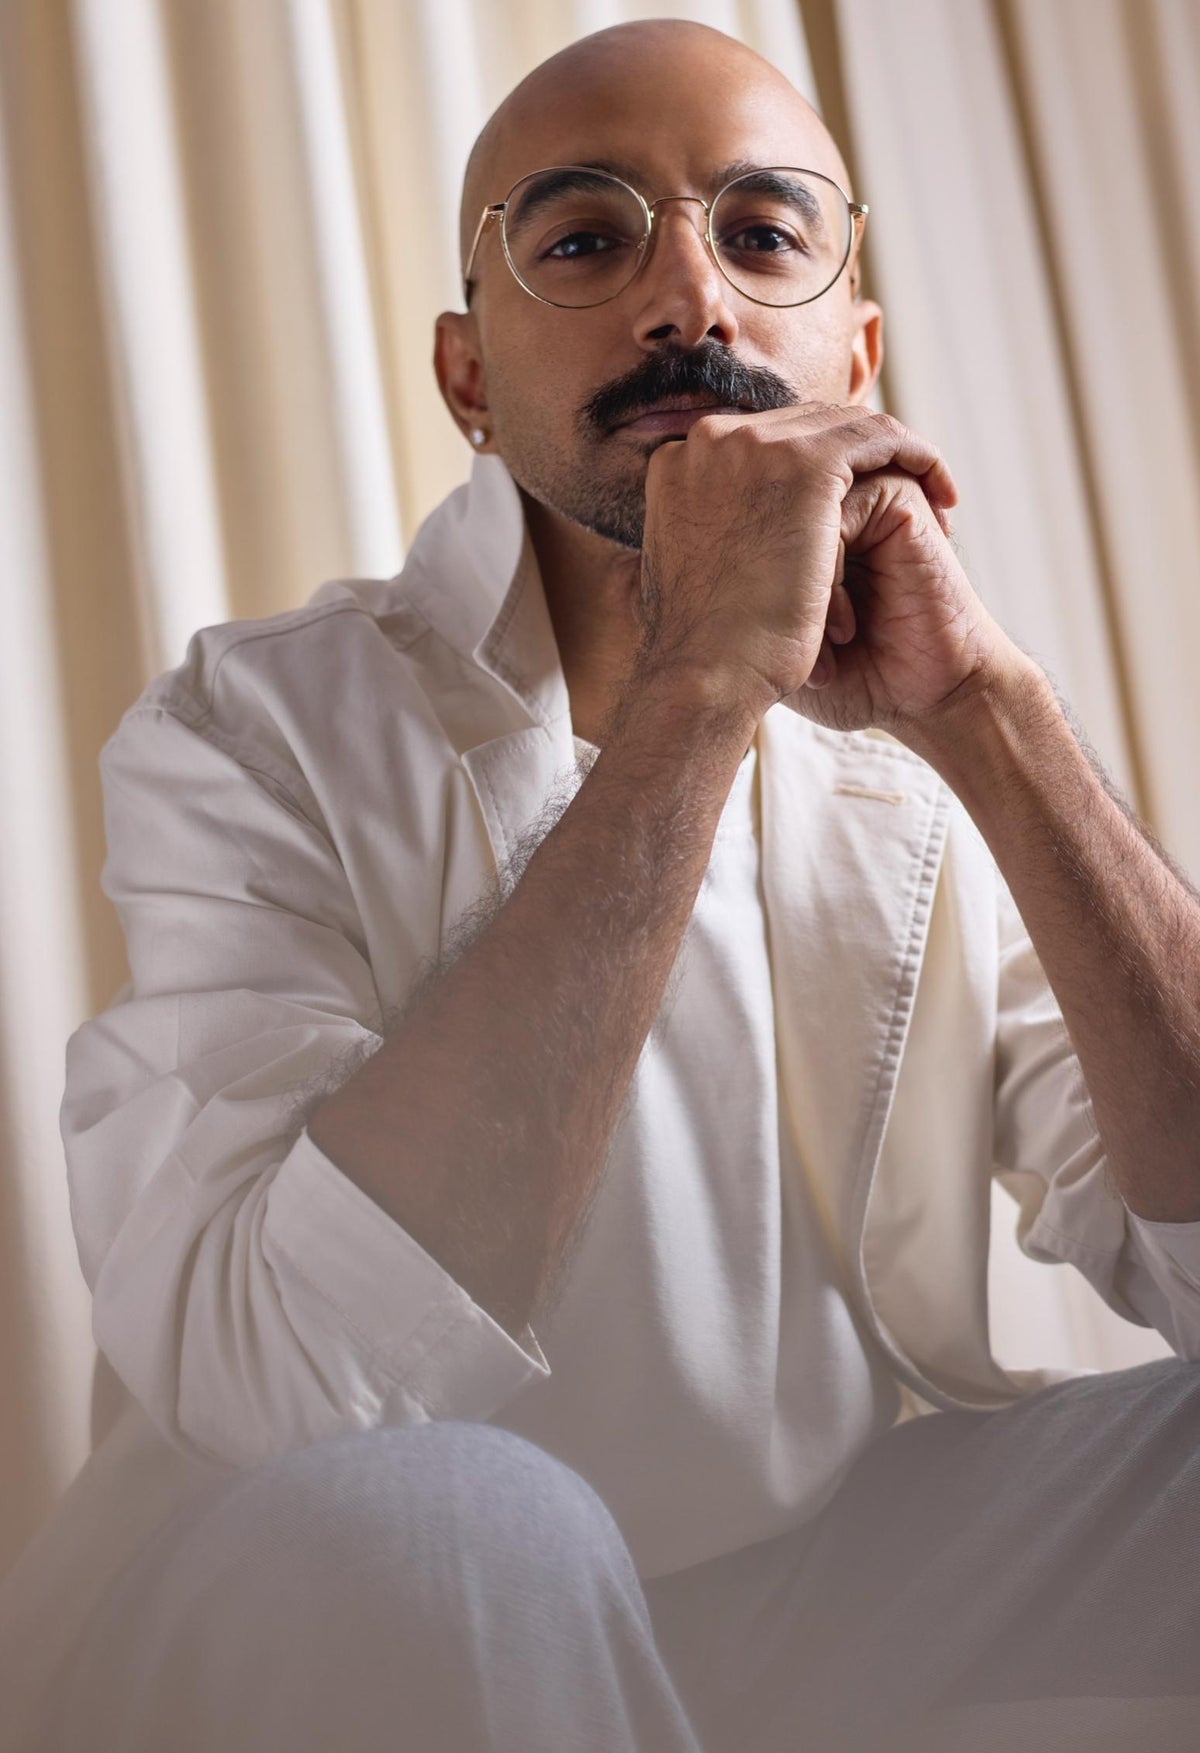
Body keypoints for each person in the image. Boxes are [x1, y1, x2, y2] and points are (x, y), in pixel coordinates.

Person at [3, 17, 1200, 1753]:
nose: (690, 301)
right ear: (468, 379)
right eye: (582, 240)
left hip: (826, 1584)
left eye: (764, 234)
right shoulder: (249, 730)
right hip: (339, 1572)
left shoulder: (926, 757)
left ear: (856, 350)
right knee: (462, 1519)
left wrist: (994, 718)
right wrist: (696, 692)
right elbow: (299, 1387)